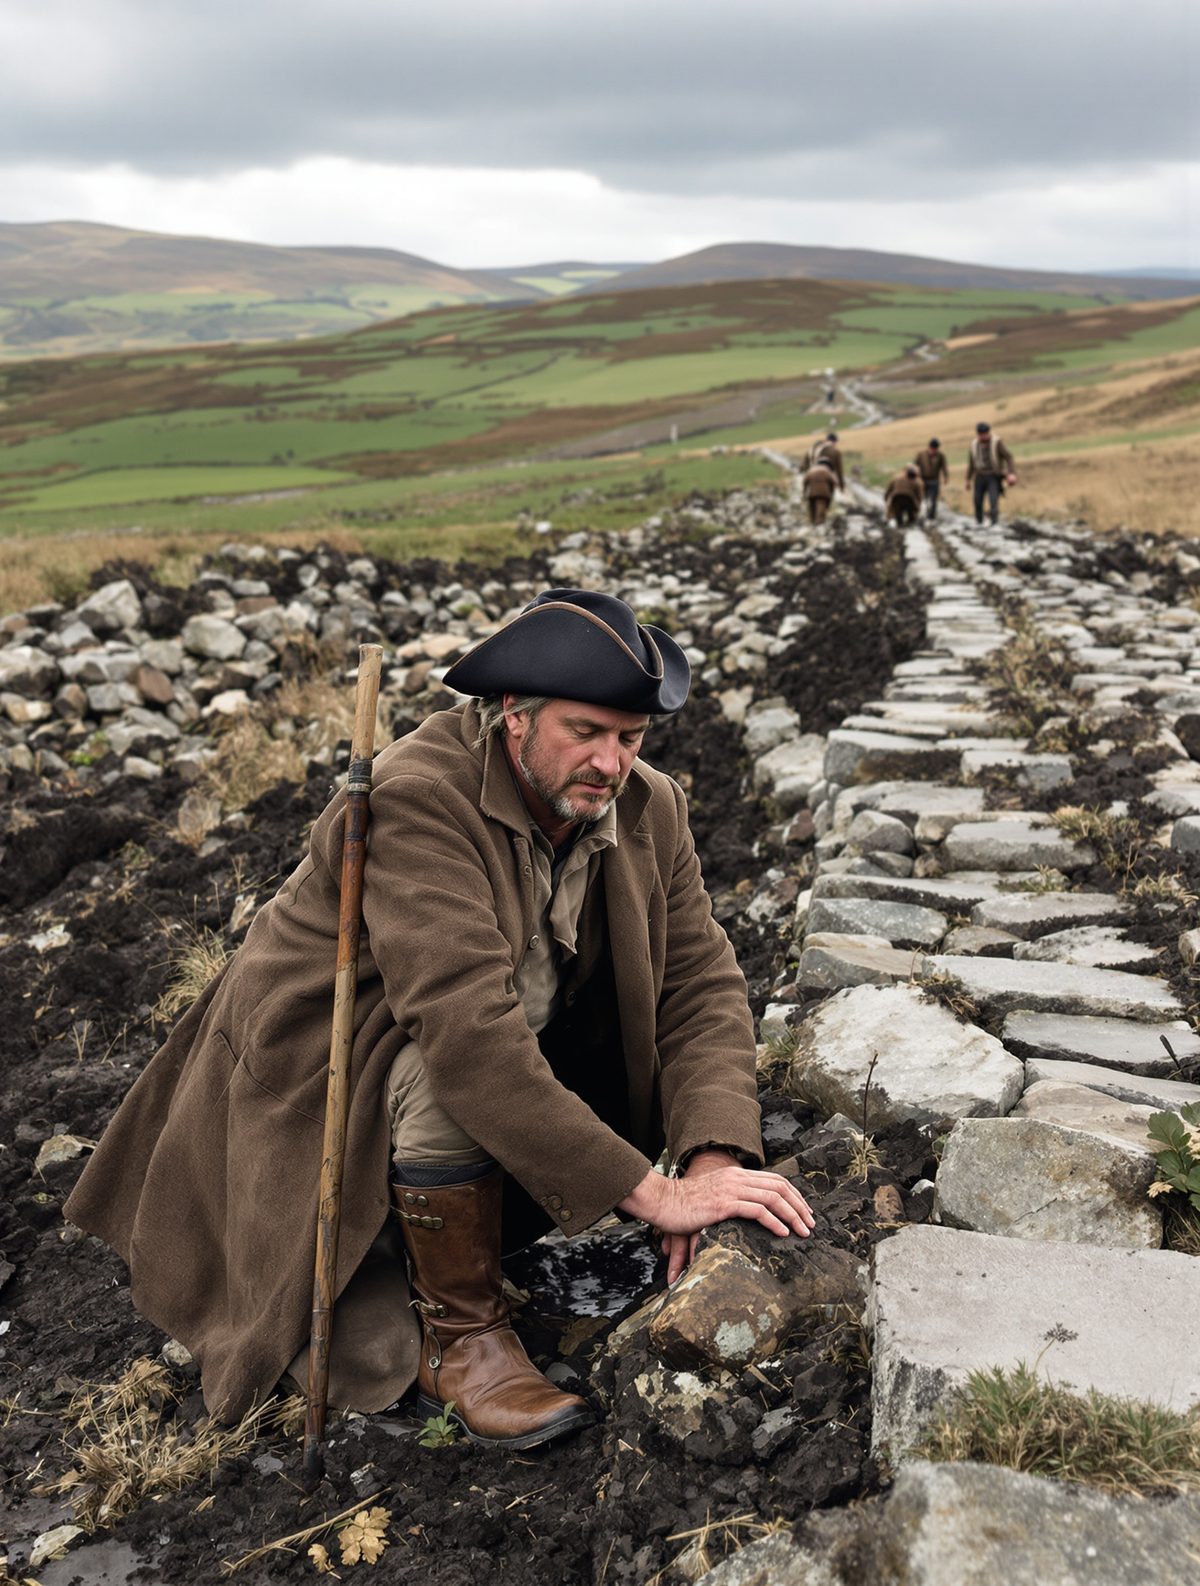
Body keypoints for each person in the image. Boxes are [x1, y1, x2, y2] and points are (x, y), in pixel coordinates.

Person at [65, 590, 814, 1451]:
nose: (612, 764)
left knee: (600, 1034)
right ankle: (462, 1342)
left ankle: (472, 1229)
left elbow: (700, 981)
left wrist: (712, 1158)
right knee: (444, 1076)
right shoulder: (417, 799)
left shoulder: (649, 806)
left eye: (631, 738)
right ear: (513, 716)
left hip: (483, 1060)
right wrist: (656, 1195)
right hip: (313, 1089)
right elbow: (469, 1036)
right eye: (587, 732)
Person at [965, 421, 1017, 526]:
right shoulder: (974, 444)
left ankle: (995, 523)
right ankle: (979, 522)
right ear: (978, 434)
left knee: (993, 500)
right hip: (979, 476)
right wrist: (968, 479)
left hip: (993, 476)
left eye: (985, 434)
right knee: (977, 501)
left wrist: (1011, 473)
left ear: (989, 433)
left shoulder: (996, 442)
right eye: (981, 435)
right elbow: (971, 464)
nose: (983, 436)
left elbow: (1008, 457)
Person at [913, 437, 949, 521]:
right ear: (929, 447)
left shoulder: (940, 456)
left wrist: (946, 477)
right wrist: (915, 476)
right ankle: (921, 515)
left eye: (936, 449)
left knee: (933, 500)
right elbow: (915, 466)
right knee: (923, 499)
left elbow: (944, 467)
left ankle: (931, 517)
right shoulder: (921, 454)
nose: (934, 450)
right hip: (922, 480)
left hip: (934, 481)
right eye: (932, 448)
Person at [801, 459, 839, 525]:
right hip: (823, 492)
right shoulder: (827, 470)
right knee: (821, 507)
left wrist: (804, 492)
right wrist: (831, 491)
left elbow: (805, 481)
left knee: (812, 508)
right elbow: (834, 482)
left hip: (811, 492)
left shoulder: (811, 470)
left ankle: (812, 522)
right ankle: (819, 523)